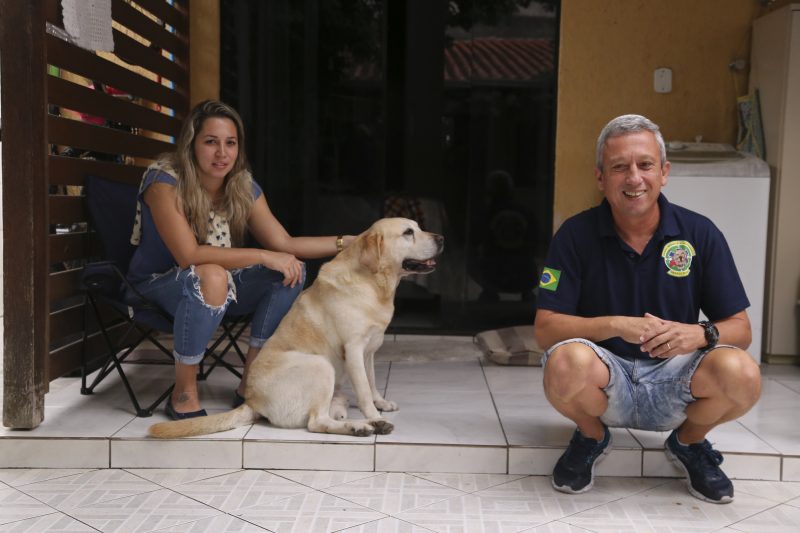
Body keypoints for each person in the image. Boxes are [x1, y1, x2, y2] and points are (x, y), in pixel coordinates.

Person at [533, 114, 761, 504]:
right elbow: (545, 329)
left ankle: (689, 444)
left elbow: (741, 329)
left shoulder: (701, 233)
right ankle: (591, 436)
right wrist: (614, 325)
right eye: (619, 167)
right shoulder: (574, 234)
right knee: (564, 362)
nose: (634, 178)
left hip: (679, 378)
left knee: (742, 373)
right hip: (607, 376)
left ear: (664, 172)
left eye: (645, 165)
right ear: (601, 177)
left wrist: (699, 334)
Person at [125, 99, 354, 420]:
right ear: (191, 145)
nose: (222, 153)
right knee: (214, 274)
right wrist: (263, 255)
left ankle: (251, 383)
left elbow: (285, 242)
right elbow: (188, 256)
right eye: (211, 142)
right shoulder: (163, 181)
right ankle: (183, 394)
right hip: (157, 286)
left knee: (290, 269)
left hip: (220, 286)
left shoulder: (240, 185)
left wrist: (351, 243)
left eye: (230, 143)